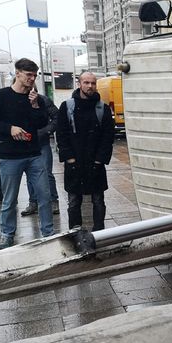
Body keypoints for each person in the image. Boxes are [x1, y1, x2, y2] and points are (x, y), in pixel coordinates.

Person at [0, 59, 53, 249]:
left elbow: (41, 123)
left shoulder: (35, 98)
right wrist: (9, 129)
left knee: (44, 196)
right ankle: (7, 235)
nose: (32, 79)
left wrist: (35, 106)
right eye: (28, 74)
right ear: (17, 73)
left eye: (34, 75)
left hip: (34, 154)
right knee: (9, 199)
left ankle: (48, 233)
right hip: (9, 156)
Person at [56, 71, 115, 231]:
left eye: (93, 83)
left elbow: (108, 136)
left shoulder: (102, 108)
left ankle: (99, 232)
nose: (90, 86)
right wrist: (70, 159)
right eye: (86, 83)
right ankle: (75, 233)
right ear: (79, 84)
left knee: (98, 200)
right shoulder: (67, 107)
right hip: (74, 163)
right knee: (74, 201)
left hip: (95, 163)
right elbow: (61, 134)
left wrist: (99, 160)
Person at [20, 93, 60, 217]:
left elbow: (57, 118)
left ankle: (53, 201)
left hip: (41, 143)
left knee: (46, 172)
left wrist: (45, 131)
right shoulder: (16, 99)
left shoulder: (44, 100)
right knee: (29, 174)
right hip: (24, 143)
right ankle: (33, 202)